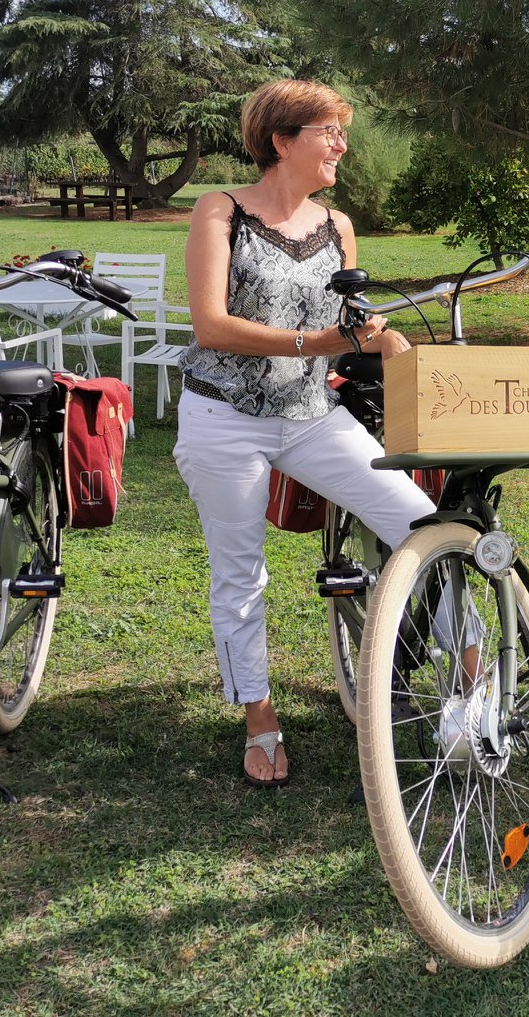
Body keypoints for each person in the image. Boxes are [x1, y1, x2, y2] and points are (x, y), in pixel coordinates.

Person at [173, 79, 435, 788]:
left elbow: (348, 321)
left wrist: (381, 339)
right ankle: (259, 719)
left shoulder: (339, 225)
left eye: (340, 131)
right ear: (281, 141)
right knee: (240, 575)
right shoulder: (219, 212)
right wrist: (314, 341)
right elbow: (210, 326)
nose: (341, 145)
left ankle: (471, 678)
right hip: (222, 417)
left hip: (311, 416)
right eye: (328, 131)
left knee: (424, 523)